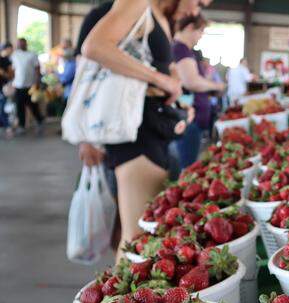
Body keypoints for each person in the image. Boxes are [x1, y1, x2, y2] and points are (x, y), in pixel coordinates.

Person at [77, 0, 198, 262]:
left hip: (155, 131)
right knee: (136, 239)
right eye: (198, 0)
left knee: (143, 237)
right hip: (135, 134)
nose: (195, 11)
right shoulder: (138, 2)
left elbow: (165, 72)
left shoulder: (161, 17)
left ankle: (121, 301)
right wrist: (160, 79)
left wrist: (178, 101)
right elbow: (94, 46)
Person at [172, 14, 225, 168]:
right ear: (189, 28)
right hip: (189, 121)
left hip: (193, 120)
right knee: (187, 169)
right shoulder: (180, 49)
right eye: (201, 31)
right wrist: (217, 86)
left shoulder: (186, 51)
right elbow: (191, 82)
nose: (201, 37)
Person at [10, 38, 45, 135]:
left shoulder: (32, 55)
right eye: (19, 43)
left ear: (26, 44)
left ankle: (39, 121)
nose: (20, 45)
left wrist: (38, 81)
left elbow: (37, 68)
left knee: (33, 106)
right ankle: (21, 126)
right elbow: (13, 70)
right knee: (19, 106)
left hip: (30, 85)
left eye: (22, 43)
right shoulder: (14, 55)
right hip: (18, 85)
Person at [0, 42, 13, 136]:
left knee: (2, 108)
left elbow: (10, 75)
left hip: (4, 88)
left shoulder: (6, 60)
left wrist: (3, 73)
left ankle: (7, 126)